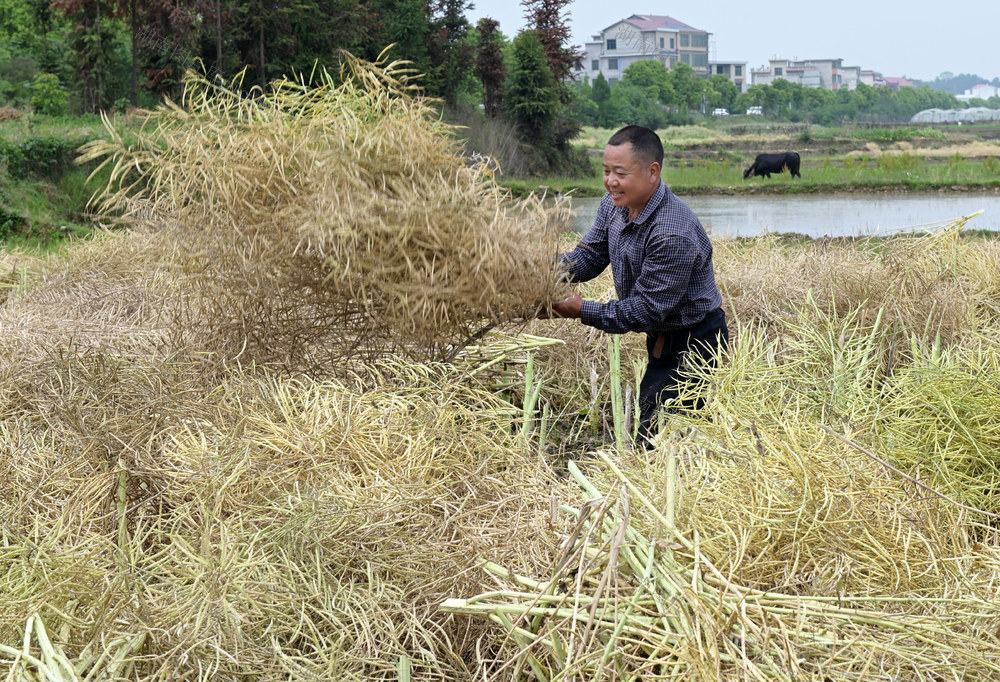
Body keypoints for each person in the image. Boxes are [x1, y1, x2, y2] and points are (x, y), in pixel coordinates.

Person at [548, 125, 728, 447]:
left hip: (694, 340)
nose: (610, 182)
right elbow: (590, 255)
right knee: (660, 419)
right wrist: (546, 273)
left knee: (664, 436)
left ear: (652, 172)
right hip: (663, 335)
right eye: (606, 172)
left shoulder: (672, 232)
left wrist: (581, 309)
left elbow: (645, 310)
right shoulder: (614, 204)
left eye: (620, 173)